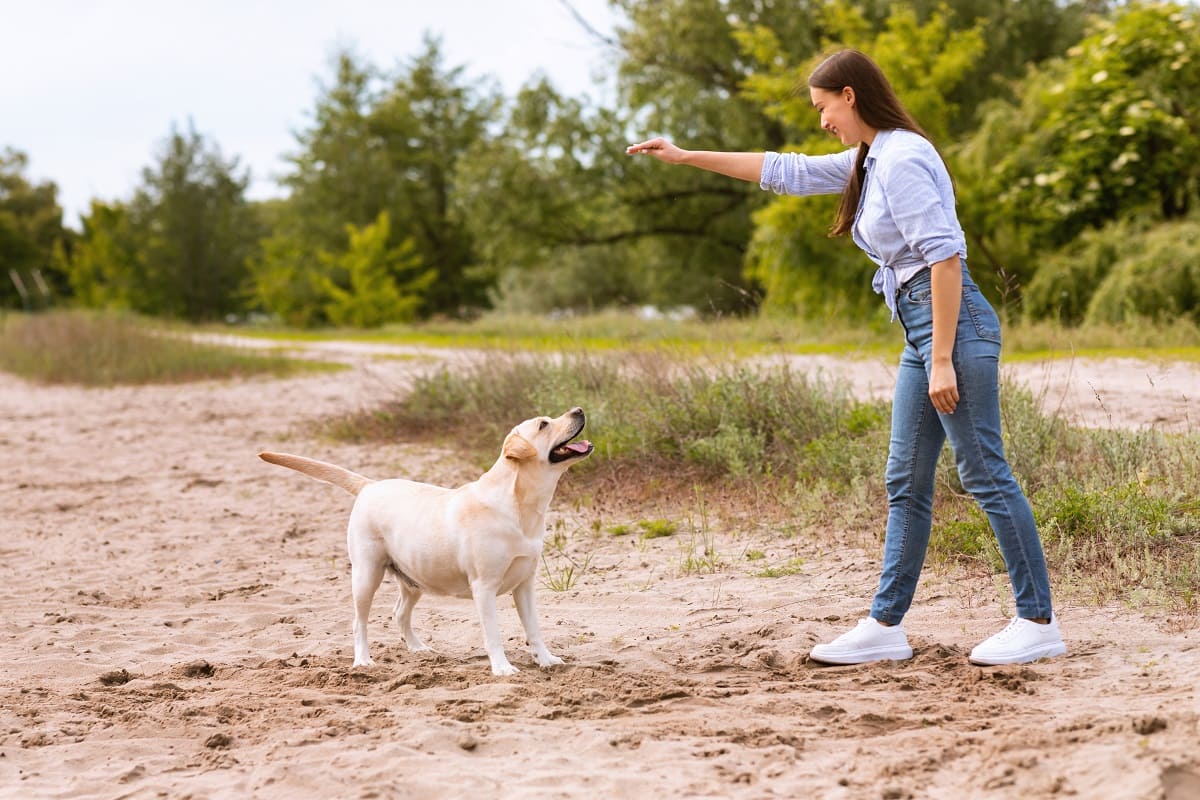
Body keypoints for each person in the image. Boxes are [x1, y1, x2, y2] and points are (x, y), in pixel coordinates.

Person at [626, 48, 1065, 667]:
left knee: (985, 473)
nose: (822, 119)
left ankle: (1037, 620)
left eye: (824, 106)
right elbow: (790, 171)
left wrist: (941, 358)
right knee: (905, 481)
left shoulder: (904, 158)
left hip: (951, 327)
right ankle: (886, 626)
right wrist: (685, 155)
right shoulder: (873, 157)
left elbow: (945, 257)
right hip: (925, 330)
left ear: (850, 95)